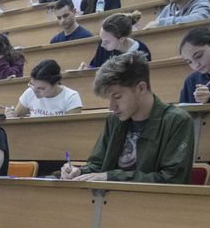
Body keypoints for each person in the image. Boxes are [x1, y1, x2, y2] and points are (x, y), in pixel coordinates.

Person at [60, 51, 192, 188]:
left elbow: (172, 180)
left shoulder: (177, 121)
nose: (111, 107)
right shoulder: (114, 119)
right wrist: (80, 171)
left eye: (117, 97)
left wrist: (111, 177)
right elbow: (98, 164)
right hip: (108, 202)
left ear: (141, 88)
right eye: (109, 99)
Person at [8, 60, 84, 117]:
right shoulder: (30, 92)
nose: (35, 92)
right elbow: (16, 116)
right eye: (32, 85)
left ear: (56, 83)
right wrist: (11, 115)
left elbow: (72, 128)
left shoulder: (71, 97)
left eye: (41, 88)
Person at [83, 12, 152, 68]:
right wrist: (87, 69)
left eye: (107, 42)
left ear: (122, 39)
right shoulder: (104, 44)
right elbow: (95, 67)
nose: (102, 45)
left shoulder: (141, 52)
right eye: (102, 39)